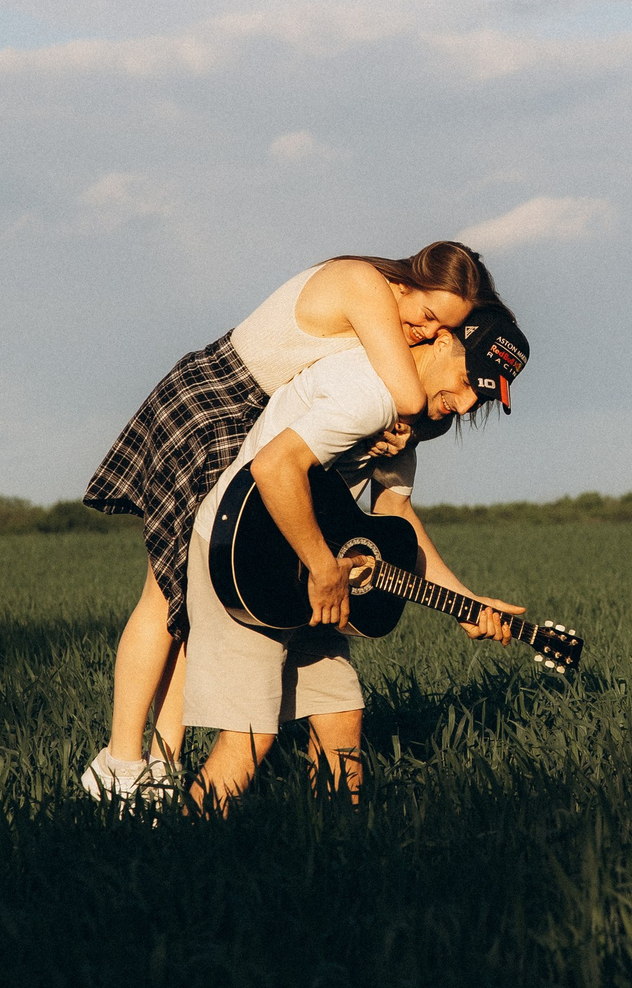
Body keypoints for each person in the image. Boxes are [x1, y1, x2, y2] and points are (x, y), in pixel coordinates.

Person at [80, 244, 510, 798]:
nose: (425, 333)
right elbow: (403, 392)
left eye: (439, 329)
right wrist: (401, 421)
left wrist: (467, 601)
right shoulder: (364, 287)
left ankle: (162, 766)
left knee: (188, 610)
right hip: (216, 405)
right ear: (409, 282)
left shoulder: (395, 345)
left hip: (256, 422)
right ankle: (121, 762)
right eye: (429, 319)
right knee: (167, 596)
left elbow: (395, 504)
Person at [177, 307, 533, 808]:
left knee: (342, 726)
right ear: (442, 340)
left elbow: (396, 521)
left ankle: (340, 859)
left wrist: (467, 604)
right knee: (248, 741)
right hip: (248, 560)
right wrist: (325, 569)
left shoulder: (404, 423)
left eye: (486, 396)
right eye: (470, 380)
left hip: (317, 572)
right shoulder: (369, 391)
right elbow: (274, 467)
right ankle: (167, 854)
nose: (467, 401)